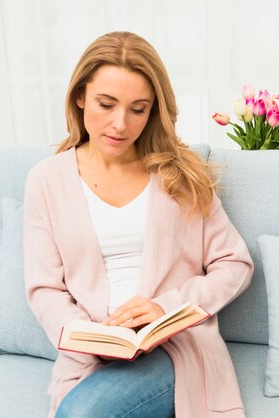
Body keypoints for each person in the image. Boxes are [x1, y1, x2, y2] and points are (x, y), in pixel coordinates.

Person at [23, 31, 254, 418]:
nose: (120, 124)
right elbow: (45, 288)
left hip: (175, 348)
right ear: (80, 96)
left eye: (138, 109)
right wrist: (89, 337)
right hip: (92, 354)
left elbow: (235, 264)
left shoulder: (180, 176)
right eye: (106, 104)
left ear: (153, 111)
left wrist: (166, 308)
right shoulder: (46, 180)